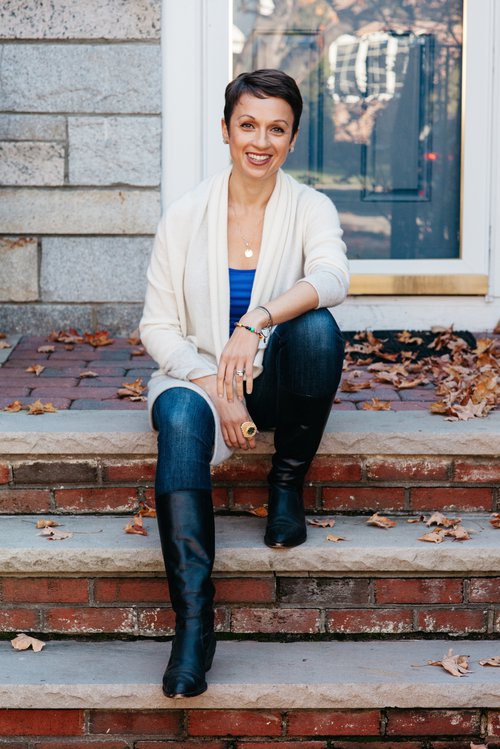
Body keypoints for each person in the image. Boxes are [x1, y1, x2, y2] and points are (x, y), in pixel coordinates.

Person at [139, 69, 349, 700]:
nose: (261, 140)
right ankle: (195, 627)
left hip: (275, 376)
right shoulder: (185, 216)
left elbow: (334, 275)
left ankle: (286, 482)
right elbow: (156, 326)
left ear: (292, 138)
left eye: (276, 128)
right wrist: (219, 387)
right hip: (198, 378)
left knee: (317, 329)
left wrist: (256, 322)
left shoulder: (310, 207)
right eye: (248, 125)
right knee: (177, 418)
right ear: (225, 130)